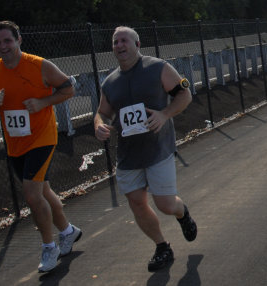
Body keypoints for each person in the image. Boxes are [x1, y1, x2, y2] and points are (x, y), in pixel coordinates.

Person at [0, 20, 82, 273]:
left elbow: (68, 89)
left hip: (42, 138)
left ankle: (49, 247)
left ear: (19, 40)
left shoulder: (39, 65)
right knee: (43, 191)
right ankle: (68, 231)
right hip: (15, 142)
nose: (3, 46)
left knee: (32, 194)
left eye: (8, 41)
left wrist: (43, 101)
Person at [94, 26, 197, 272]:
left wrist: (164, 114)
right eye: (115, 42)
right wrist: (99, 125)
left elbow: (185, 94)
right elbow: (102, 112)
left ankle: (182, 212)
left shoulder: (158, 68)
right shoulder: (110, 82)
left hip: (158, 149)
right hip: (128, 155)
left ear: (137, 44)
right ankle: (162, 246)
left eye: (124, 41)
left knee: (165, 205)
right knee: (137, 203)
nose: (119, 45)